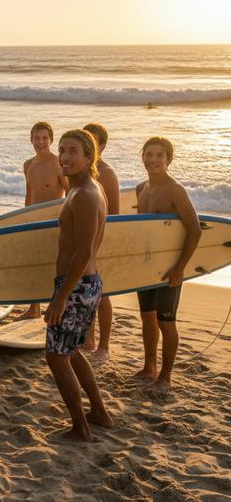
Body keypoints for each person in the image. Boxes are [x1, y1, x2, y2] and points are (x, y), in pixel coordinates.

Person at [44, 129, 112, 442]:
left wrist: (60, 297)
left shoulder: (85, 194)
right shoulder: (84, 188)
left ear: (89, 157)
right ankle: (98, 412)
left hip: (77, 286)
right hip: (84, 285)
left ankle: (80, 428)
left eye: (73, 151)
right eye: (62, 150)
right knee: (70, 352)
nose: (65, 157)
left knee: (56, 357)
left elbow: (84, 251)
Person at [135, 136, 201, 391]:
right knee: (147, 318)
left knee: (166, 321)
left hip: (169, 268)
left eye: (158, 155)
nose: (152, 159)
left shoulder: (175, 190)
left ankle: (165, 377)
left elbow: (195, 229)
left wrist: (180, 268)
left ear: (168, 159)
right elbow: (142, 231)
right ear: (142, 156)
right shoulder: (142, 189)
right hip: (147, 267)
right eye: (148, 154)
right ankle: (149, 366)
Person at [20, 121, 69, 319]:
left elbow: (70, 192)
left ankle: (56, 306)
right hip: (34, 221)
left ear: (51, 140)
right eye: (37, 138)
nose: (41, 142)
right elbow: (29, 194)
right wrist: (24, 219)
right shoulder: (28, 165)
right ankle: (34, 309)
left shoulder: (58, 163)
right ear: (31, 139)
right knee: (34, 263)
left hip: (55, 222)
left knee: (54, 266)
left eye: (45, 138)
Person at [81, 123, 120, 362]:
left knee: (103, 294)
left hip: (101, 242)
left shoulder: (107, 173)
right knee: (86, 292)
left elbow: (115, 214)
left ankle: (104, 344)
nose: (89, 147)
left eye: (93, 143)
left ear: (102, 146)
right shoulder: (80, 171)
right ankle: (89, 339)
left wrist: (103, 246)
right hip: (83, 241)